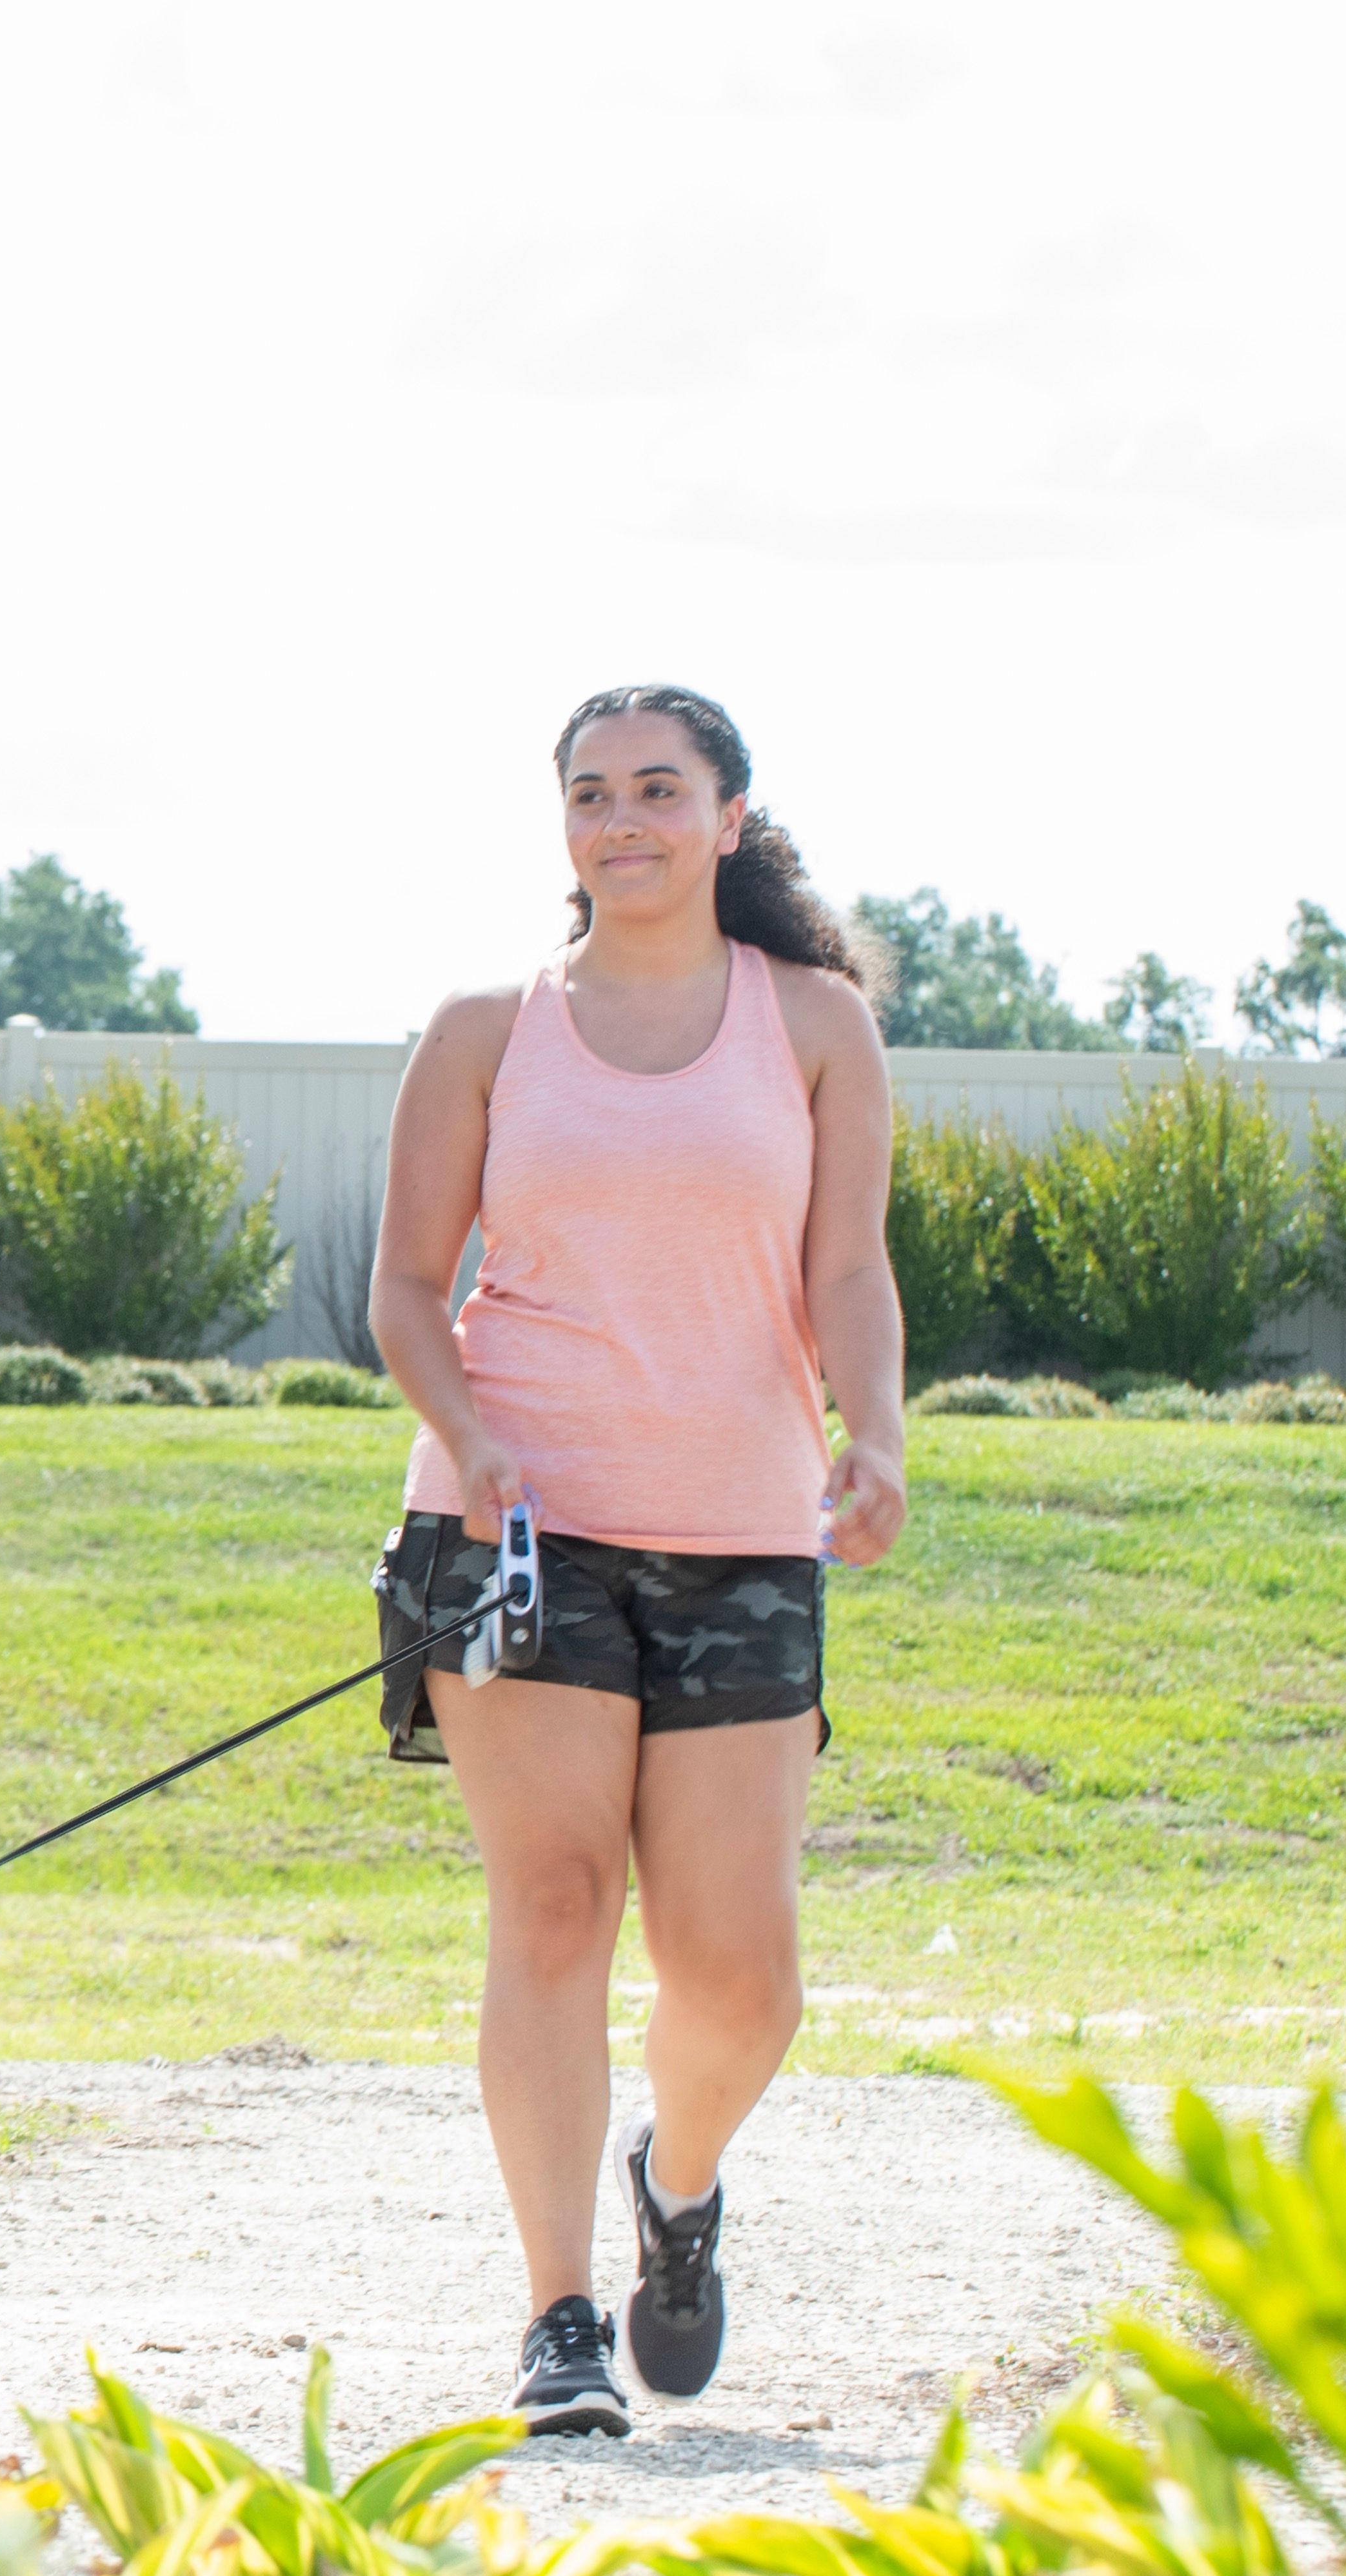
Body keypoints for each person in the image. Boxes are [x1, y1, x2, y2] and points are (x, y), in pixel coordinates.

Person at [364, 683, 906, 2437]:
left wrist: (869, 1431)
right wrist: (475, 1427)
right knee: (550, 1903)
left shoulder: (812, 1025)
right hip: (512, 1533)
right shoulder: (480, 1030)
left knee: (739, 1975)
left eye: (657, 790)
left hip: (741, 1528)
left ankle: (674, 2185)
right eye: (591, 793)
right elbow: (401, 1287)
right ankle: (556, 2316)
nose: (622, 821)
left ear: (727, 817)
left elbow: (845, 1272)